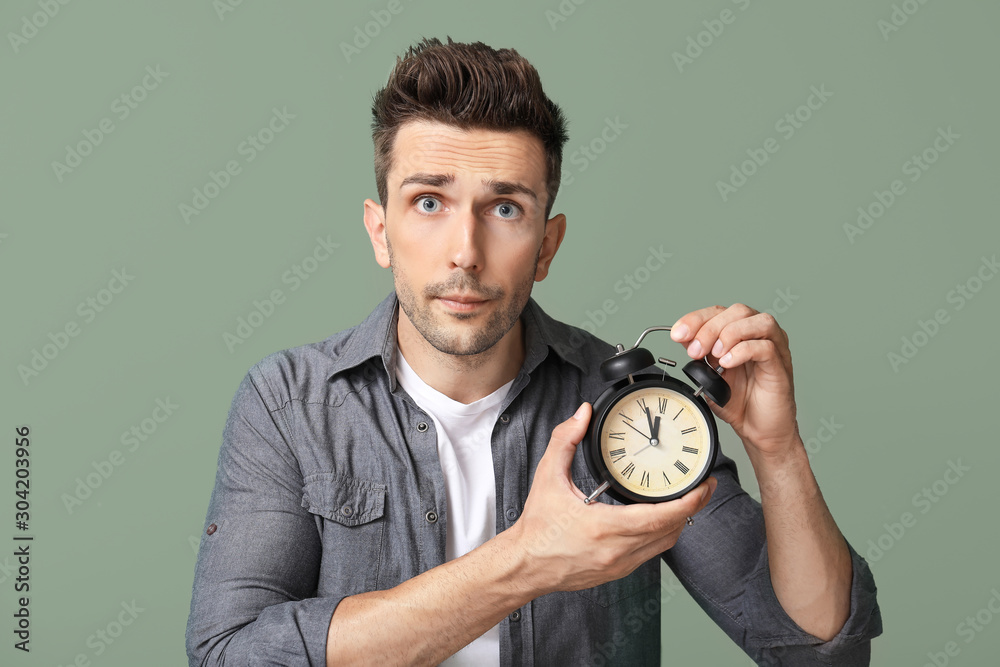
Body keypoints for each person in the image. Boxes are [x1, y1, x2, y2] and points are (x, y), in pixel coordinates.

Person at [186, 37, 882, 666]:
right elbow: (230, 655)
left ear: (547, 245)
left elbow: (822, 653)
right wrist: (528, 559)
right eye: (429, 201)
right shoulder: (288, 404)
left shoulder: (631, 409)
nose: (465, 251)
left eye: (506, 208)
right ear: (380, 230)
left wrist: (779, 450)